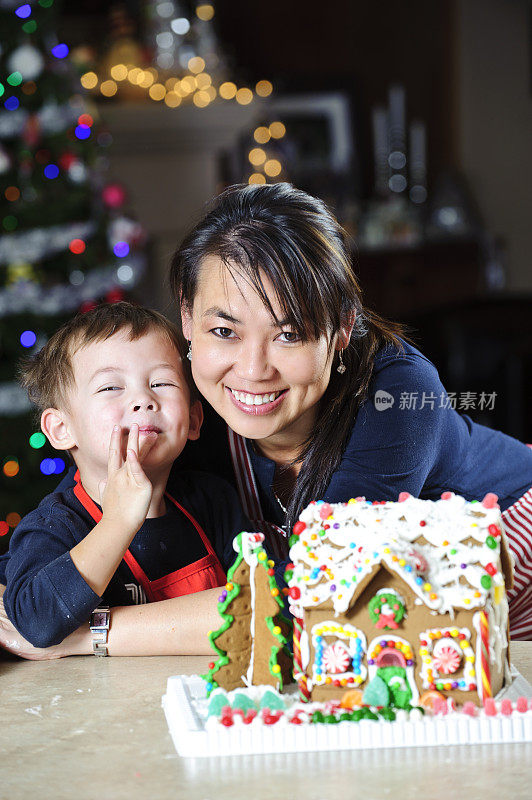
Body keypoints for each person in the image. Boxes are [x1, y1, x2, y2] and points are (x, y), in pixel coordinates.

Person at [2, 183, 531, 659]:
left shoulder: (396, 395)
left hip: (506, 580)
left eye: (289, 333)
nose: (253, 372)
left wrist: (93, 633)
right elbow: (70, 527)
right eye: (225, 332)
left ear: (343, 325)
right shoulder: (184, 403)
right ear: (187, 316)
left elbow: (323, 593)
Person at [0, 302, 249, 655]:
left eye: (161, 382)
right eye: (110, 388)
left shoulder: (213, 500)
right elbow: (36, 624)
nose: (143, 399)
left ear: (194, 420)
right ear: (61, 429)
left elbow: (258, 600)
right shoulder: (52, 527)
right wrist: (117, 522)